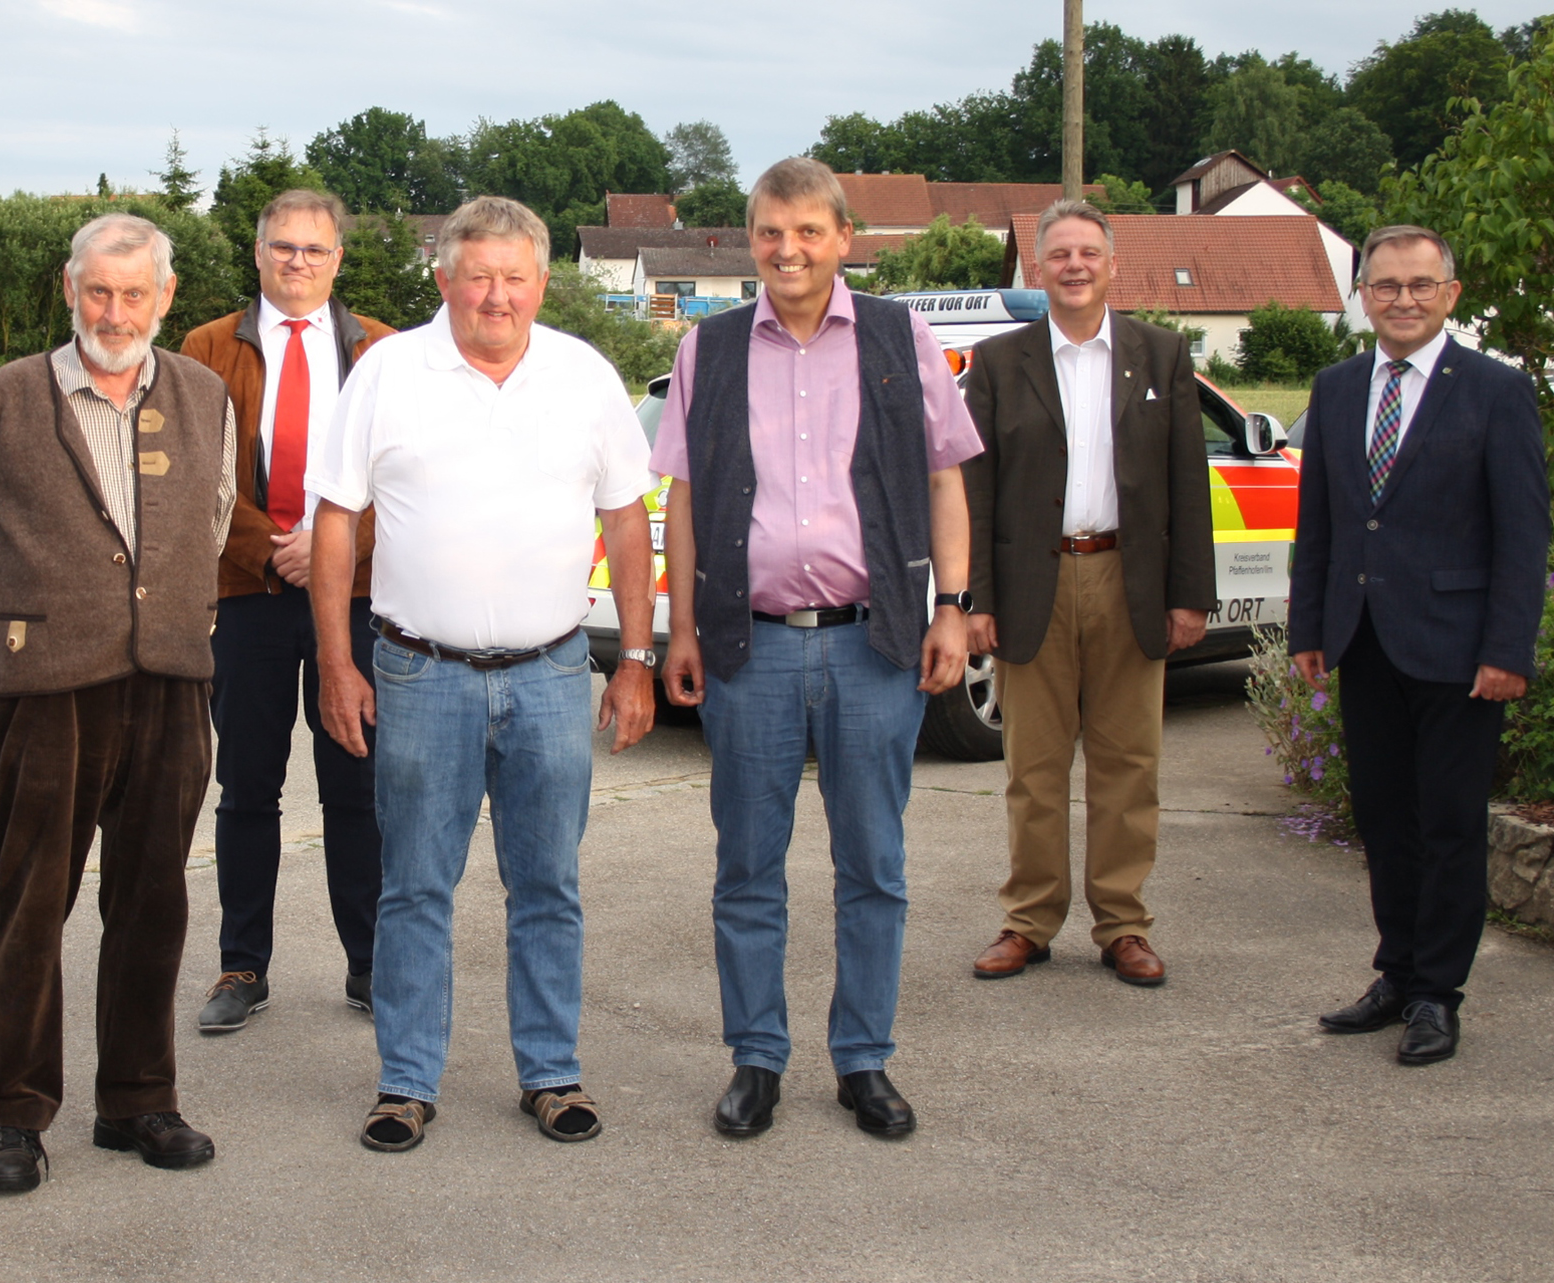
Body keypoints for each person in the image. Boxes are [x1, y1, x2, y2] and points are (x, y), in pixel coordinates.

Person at [307, 196, 657, 1152]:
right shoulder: (387, 374)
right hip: (420, 676)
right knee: (415, 885)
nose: (494, 296)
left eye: (514, 277)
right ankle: (406, 1082)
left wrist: (633, 658)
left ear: (542, 282)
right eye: (477, 275)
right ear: (443, 279)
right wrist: (336, 660)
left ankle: (550, 1074)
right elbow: (335, 518)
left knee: (547, 883)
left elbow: (628, 518)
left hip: (550, 674)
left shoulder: (584, 376)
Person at [656, 157, 979, 1139]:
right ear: (747, 240)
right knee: (745, 866)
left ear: (843, 237)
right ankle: (755, 1057)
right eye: (766, 232)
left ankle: (862, 1061)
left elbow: (943, 478)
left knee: (872, 864)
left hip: (871, 645)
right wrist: (677, 626)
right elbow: (678, 494)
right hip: (745, 649)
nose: (785, 250)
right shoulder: (706, 350)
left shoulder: (898, 336)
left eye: (805, 231)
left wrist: (952, 607)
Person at [0, 213, 235, 1192]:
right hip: (47, 685)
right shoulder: (1, 399)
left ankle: (137, 1100)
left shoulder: (203, 394)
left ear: (164, 298)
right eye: (97, 292)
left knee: (154, 895)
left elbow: (211, 518)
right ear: (68, 291)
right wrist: (32, 638)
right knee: (34, 902)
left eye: (134, 293)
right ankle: (17, 1112)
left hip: (169, 676)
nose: (114, 312)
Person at [1291, 224, 1547, 1065]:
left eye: (1419, 285)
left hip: (1461, 650)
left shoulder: (1495, 392)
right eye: (1385, 285)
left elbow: (1522, 536)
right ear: (1362, 295)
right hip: (1362, 643)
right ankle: (1396, 972)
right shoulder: (1334, 389)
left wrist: (1509, 650)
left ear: (1451, 295)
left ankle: (1439, 992)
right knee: (1384, 821)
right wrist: (1308, 630)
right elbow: (1321, 522)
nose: (1402, 299)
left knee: (1448, 825)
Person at [962, 198, 1214, 988]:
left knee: (1128, 766)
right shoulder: (999, 363)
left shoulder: (1162, 355)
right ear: (1038, 268)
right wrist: (976, 598)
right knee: (1033, 770)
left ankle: (1123, 926)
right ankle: (1029, 922)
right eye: (1059, 254)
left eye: (1088, 253)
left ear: (1113, 265)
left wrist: (1189, 596)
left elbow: (1187, 484)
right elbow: (976, 489)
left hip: (1128, 581)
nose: (1074, 266)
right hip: (1034, 583)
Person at [178, 190, 395, 1033]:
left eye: (314, 249)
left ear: (338, 257)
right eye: (282, 247)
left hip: (362, 599)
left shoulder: (383, 349)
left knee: (359, 784)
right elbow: (195, 476)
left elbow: (404, 476)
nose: (297, 262)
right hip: (250, 595)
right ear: (258, 253)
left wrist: (335, 547)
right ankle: (242, 966)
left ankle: (371, 965)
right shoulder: (203, 349)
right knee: (246, 789)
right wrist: (269, 545)